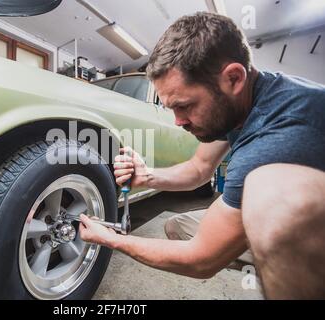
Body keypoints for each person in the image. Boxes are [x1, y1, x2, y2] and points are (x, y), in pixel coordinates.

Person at [79, 12, 325, 299]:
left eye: (184, 106)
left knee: (269, 194)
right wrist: (147, 176)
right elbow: (200, 168)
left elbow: (200, 260)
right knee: (178, 227)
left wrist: (112, 240)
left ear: (233, 78)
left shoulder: (277, 136)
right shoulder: (240, 103)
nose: (178, 121)